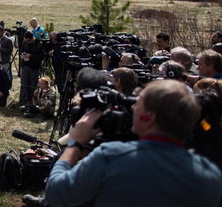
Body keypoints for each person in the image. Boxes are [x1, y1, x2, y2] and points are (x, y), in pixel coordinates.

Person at [45, 79, 222, 207]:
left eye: (138, 102)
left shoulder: (112, 157)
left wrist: (76, 142)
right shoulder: (210, 174)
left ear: (149, 117)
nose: (132, 107)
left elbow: (57, 193)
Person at [19, 31, 44, 112]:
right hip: (25, 66)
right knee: (24, 85)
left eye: (29, 40)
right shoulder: (25, 43)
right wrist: (23, 55)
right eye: (26, 40)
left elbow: (41, 57)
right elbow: (22, 51)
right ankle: (23, 102)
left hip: (34, 67)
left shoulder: (38, 44)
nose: (28, 42)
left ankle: (32, 103)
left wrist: (31, 56)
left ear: (33, 38)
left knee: (33, 86)